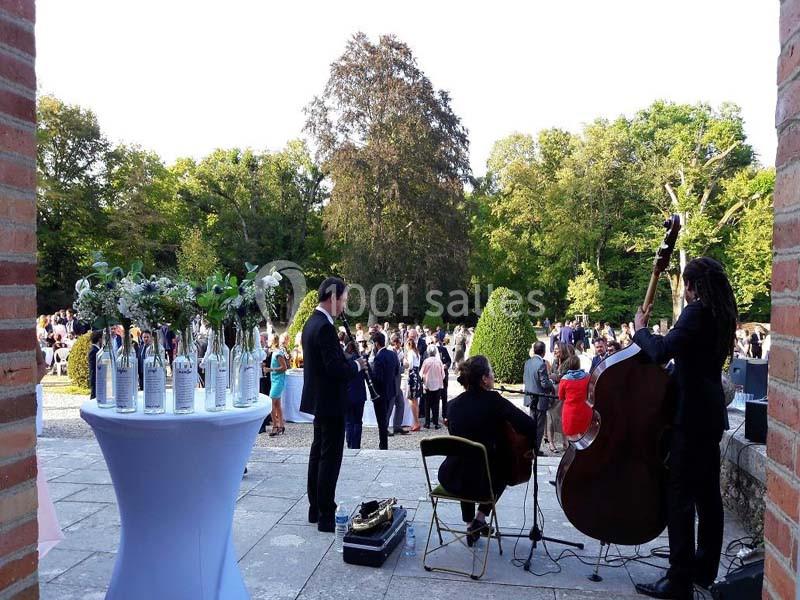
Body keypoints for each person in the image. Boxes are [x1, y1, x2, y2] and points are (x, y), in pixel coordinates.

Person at [633, 257, 737, 600]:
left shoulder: (697, 311)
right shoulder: (724, 312)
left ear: (691, 287)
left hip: (689, 416)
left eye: (687, 286)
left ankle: (679, 579)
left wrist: (640, 330)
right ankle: (704, 571)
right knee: (709, 498)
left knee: (680, 497)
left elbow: (661, 352)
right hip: (710, 414)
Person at [438, 355, 537, 545]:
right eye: (491, 372)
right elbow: (528, 425)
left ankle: (470, 525)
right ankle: (480, 519)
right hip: (483, 483)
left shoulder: (452, 406)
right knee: (505, 471)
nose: (493, 375)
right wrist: (527, 446)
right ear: (484, 378)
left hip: (451, 477)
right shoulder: (494, 400)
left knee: (466, 460)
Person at [300, 277, 366, 533]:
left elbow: (326, 360)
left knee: (318, 453)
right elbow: (335, 369)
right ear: (333, 297)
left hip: (320, 399)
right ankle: (327, 513)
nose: (344, 306)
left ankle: (315, 508)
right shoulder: (326, 327)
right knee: (330, 457)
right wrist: (357, 365)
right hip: (330, 400)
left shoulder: (312, 322)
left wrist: (345, 356)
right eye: (344, 300)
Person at [523, 341, 555, 454]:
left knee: (532, 424)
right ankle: (535, 449)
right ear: (544, 352)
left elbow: (525, 380)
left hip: (530, 398)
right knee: (539, 426)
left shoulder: (527, 362)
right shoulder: (541, 364)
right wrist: (552, 382)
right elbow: (544, 384)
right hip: (540, 399)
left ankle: (530, 447)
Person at [370, 331, 399, 449]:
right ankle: (383, 443)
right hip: (391, 391)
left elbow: (378, 378)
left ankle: (383, 445)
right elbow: (397, 370)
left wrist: (369, 373)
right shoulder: (392, 354)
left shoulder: (378, 358)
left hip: (380, 393)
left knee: (381, 421)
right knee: (385, 418)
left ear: (376, 344)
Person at [557, 355, 592, 441]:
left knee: (572, 440)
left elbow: (561, 397)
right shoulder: (588, 377)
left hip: (570, 412)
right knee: (585, 439)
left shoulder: (564, 380)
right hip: (585, 410)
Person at [344, 340, 368, 449]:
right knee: (358, 421)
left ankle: (349, 443)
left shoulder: (345, 361)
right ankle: (356, 444)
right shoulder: (362, 360)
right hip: (360, 394)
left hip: (348, 394)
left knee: (349, 421)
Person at [266, 333, 289, 437]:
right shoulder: (276, 353)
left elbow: (284, 368)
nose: (267, 342)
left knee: (271, 404)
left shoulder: (278, 354)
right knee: (277, 405)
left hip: (278, 381)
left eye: (269, 340)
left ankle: (275, 426)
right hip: (276, 380)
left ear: (273, 342)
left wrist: (271, 369)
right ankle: (281, 425)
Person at [388, 334, 409, 436]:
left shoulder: (398, 351)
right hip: (391, 384)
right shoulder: (390, 352)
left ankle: (397, 426)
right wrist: (403, 367)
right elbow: (393, 369)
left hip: (397, 384)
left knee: (401, 404)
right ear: (395, 343)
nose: (400, 346)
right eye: (399, 343)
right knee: (389, 407)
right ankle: (385, 427)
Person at [420, 346, 445, 429]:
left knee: (427, 404)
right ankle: (436, 423)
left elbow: (421, 373)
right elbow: (443, 375)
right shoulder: (439, 361)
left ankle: (427, 423)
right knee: (436, 404)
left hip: (428, 385)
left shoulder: (426, 361)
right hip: (437, 385)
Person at [405, 338, 422, 431]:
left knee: (412, 400)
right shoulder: (417, 352)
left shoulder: (410, 352)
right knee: (416, 401)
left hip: (412, 375)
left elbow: (410, 365)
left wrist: (405, 362)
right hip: (417, 374)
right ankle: (416, 422)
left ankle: (416, 422)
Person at [436, 336, 453, 422]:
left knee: (444, 395)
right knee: (435, 397)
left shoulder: (443, 350)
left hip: (444, 376)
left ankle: (445, 414)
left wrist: (446, 365)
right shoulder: (429, 351)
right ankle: (435, 416)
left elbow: (449, 360)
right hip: (435, 377)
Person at [88, 330, 102, 400]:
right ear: (99, 339)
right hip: (95, 377)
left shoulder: (97, 350)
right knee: (94, 395)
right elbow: (93, 367)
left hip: (98, 376)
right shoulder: (94, 351)